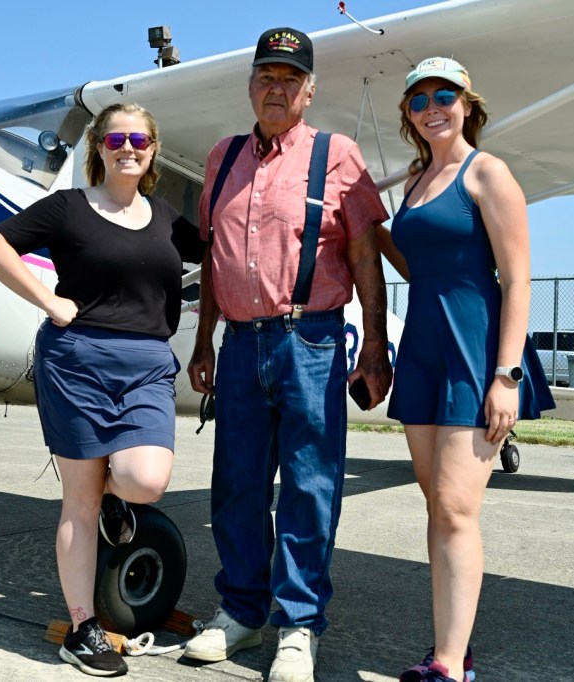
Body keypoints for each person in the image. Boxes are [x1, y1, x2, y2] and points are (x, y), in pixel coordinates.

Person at [182, 26, 393, 682]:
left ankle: (299, 626)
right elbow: (216, 258)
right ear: (251, 85)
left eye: (290, 79)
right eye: (267, 76)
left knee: (309, 486)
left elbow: (364, 256)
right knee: (237, 485)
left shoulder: (337, 154)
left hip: (312, 341)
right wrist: (204, 340)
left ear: (310, 91)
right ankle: (242, 613)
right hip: (240, 344)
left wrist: (375, 345)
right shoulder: (221, 158)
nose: (277, 88)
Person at [0, 102, 203, 678]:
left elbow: (227, 250)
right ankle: (83, 629)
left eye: (140, 140)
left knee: (144, 481)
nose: (128, 148)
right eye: (116, 139)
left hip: (148, 364)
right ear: (99, 146)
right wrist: (48, 300)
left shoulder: (167, 219)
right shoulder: (69, 207)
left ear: (153, 150)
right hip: (77, 362)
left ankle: (115, 497)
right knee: (79, 502)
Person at [375, 57, 555, 682]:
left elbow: (518, 278)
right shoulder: (416, 181)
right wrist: (372, 229)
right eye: (419, 99)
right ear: (409, 114)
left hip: (476, 352)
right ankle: (452, 644)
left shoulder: (488, 172)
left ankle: (449, 666)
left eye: (444, 95)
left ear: (467, 104)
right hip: (423, 348)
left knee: (455, 508)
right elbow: (419, 268)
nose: (432, 107)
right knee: (439, 508)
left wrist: (507, 375)